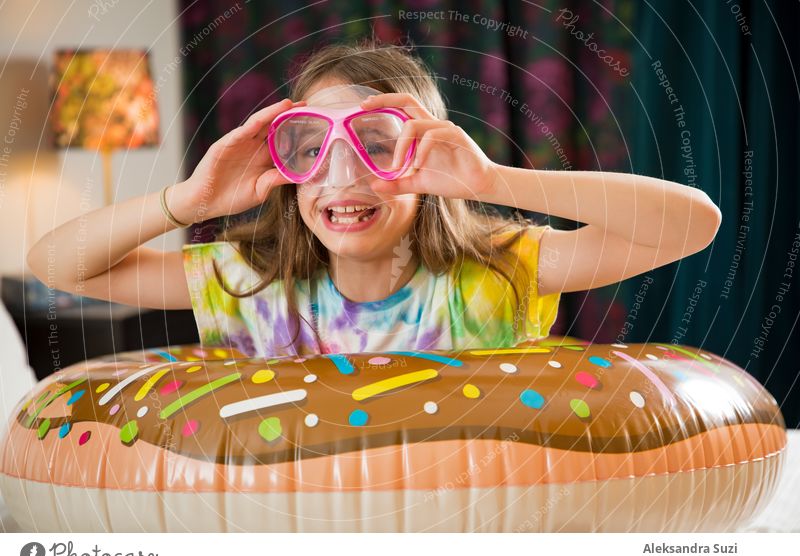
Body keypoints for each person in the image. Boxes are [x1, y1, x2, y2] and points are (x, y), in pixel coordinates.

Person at [27, 39, 721, 358]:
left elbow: (693, 224)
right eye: (310, 148)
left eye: (377, 145)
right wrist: (185, 200)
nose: (343, 177)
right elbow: (56, 266)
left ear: (429, 163)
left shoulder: (501, 270)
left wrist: (494, 183)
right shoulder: (248, 280)